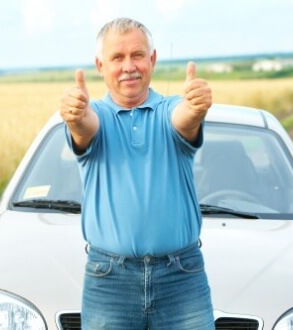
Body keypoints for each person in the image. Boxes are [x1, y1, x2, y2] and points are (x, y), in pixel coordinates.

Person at [60, 17, 214, 330]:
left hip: (181, 276)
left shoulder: (170, 109)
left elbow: (183, 119)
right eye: (117, 58)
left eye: (137, 55)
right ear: (100, 65)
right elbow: (85, 126)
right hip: (109, 281)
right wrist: (75, 117)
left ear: (152, 60)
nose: (129, 66)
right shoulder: (96, 116)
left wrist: (196, 109)